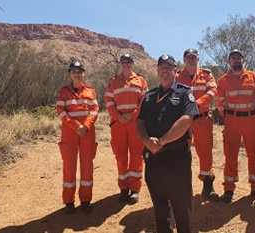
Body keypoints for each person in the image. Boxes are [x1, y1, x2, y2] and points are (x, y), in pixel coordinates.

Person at [137, 54, 198, 233]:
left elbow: (186, 119)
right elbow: (140, 122)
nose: (165, 69)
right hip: (154, 157)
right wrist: (147, 141)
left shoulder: (184, 92)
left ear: (175, 71)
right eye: (161, 66)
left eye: (169, 67)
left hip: (176, 156)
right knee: (159, 203)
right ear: (157, 71)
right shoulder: (149, 96)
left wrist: (162, 141)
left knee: (181, 204)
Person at [215, 49, 255, 203]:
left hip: (251, 119)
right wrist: (232, 115)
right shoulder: (223, 80)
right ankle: (229, 189)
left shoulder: (254, 77)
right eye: (233, 58)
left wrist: (250, 113)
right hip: (232, 120)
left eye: (239, 58)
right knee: (230, 153)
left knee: (254, 153)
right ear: (229, 62)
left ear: (244, 60)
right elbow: (220, 103)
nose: (236, 60)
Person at [175, 48, 219, 201]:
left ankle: (208, 185)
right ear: (184, 60)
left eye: (194, 58)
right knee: (181, 153)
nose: (191, 60)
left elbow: (213, 90)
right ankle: (182, 187)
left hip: (202, 119)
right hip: (184, 121)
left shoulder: (206, 74)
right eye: (188, 58)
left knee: (205, 153)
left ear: (198, 59)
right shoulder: (177, 76)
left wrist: (197, 103)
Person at [104, 53, 148, 204]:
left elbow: (144, 101)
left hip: (135, 123)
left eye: (129, 62)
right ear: (120, 64)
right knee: (121, 156)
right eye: (124, 62)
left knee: (136, 155)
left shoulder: (141, 80)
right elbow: (108, 101)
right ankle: (123, 188)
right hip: (119, 124)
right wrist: (118, 116)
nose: (126, 64)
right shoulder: (114, 81)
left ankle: (135, 189)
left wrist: (133, 115)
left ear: (133, 64)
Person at [56, 61, 99, 214]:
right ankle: (69, 201)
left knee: (87, 166)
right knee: (69, 167)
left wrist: (85, 126)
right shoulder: (63, 91)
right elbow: (60, 111)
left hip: (87, 133)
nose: (77, 74)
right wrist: (76, 126)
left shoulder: (90, 91)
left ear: (83, 74)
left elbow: (94, 110)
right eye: (74, 71)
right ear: (70, 74)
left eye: (79, 71)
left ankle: (86, 200)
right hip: (70, 134)